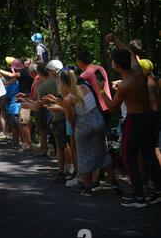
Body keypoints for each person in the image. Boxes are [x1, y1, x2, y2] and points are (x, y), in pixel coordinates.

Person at [101, 34, 161, 207]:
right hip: (149, 117)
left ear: (118, 66)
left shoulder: (125, 85)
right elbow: (129, 52)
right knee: (149, 154)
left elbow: (112, 108)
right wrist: (115, 40)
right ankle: (157, 190)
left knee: (128, 156)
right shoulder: (139, 74)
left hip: (134, 120)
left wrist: (101, 91)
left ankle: (139, 196)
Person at [48, 68, 115, 196]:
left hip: (84, 126)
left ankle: (87, 188)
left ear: (62, 83)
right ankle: (112, 181)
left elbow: (72, 119)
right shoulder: (85, 87)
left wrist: (60, 109)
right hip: (98, 120)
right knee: (102, 152)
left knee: (84, 157)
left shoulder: (68, 99)